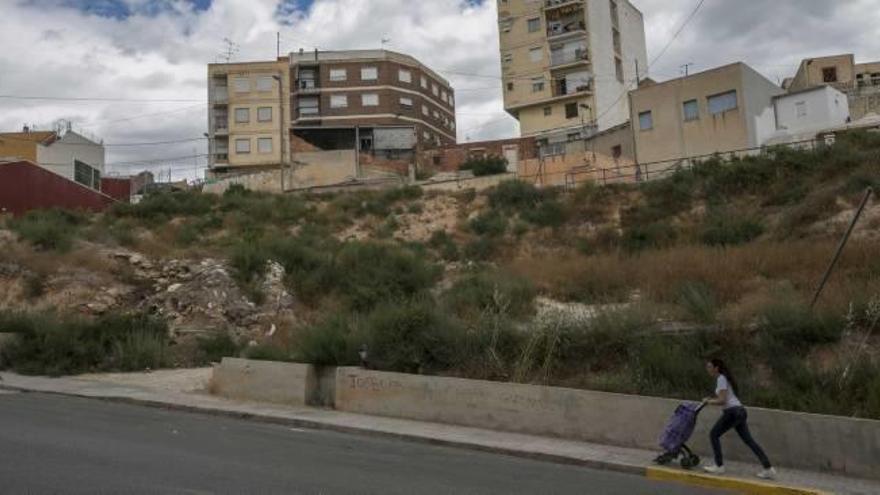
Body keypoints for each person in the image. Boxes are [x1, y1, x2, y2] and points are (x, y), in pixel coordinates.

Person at [701, 358, 776, 480]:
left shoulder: (721, 378)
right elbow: (725, 397)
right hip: (740, 411)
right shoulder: (724, 378)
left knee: (713, 434)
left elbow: (722, 400)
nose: (707, 369)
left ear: (716, 368)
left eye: (709, 367)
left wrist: (708, 401)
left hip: (732, 412)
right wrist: (712, 399)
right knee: (749, 440)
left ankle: (719, 466)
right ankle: (769, 469)